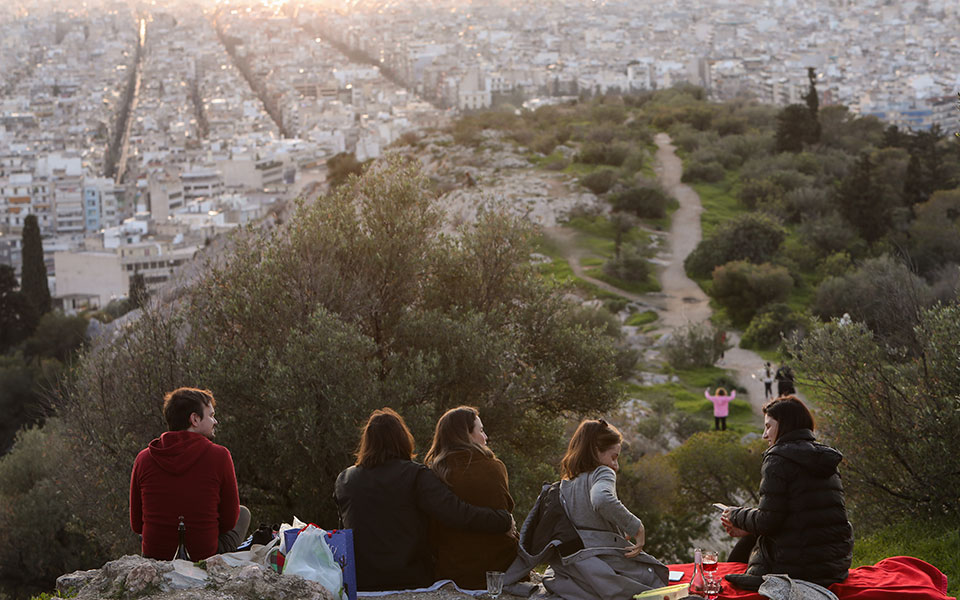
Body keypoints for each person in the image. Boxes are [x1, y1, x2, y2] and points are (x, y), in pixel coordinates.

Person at [334, 408, 514, 592]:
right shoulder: (416, 475)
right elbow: (458, 513)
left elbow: (344, 533)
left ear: (367, 442)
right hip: (409, 578)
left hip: (360, 580)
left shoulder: (345, 479)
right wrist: (503, 520)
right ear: (403, 438)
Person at [505, 419, 668, 600]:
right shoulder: (603, 473)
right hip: (609, 579)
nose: (616, 465)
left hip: (575, 581)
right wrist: (636, 527)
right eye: (614, 457)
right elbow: (601, 499)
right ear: (596, 451)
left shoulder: (562, 488)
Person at [720, 396, 853, 590]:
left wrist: (735, 515)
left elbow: (768, 521)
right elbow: (802, 518)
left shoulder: (778, 458)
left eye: (768, 426)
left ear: (784, 425)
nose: (765, 435)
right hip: (834, 566)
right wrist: (748, 526)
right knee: (750, 537)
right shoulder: (822, 457)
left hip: (800, 569)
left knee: (739, 562)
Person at [130, 387, 250, 560]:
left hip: (154, 557)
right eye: (211, 415)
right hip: (204, 556)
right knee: (243, 513)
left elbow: (136, 525)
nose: (215, 421)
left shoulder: (144, 458)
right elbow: (229, 521)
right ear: (194, 419)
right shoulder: (220, 456)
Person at [424, 406, 518, 589]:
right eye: (481, 430)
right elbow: (505, 512)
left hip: (453, 569)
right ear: (466, 435)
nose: (486, 437)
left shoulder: (435, 473)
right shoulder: (494, 467)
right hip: (498, 569)